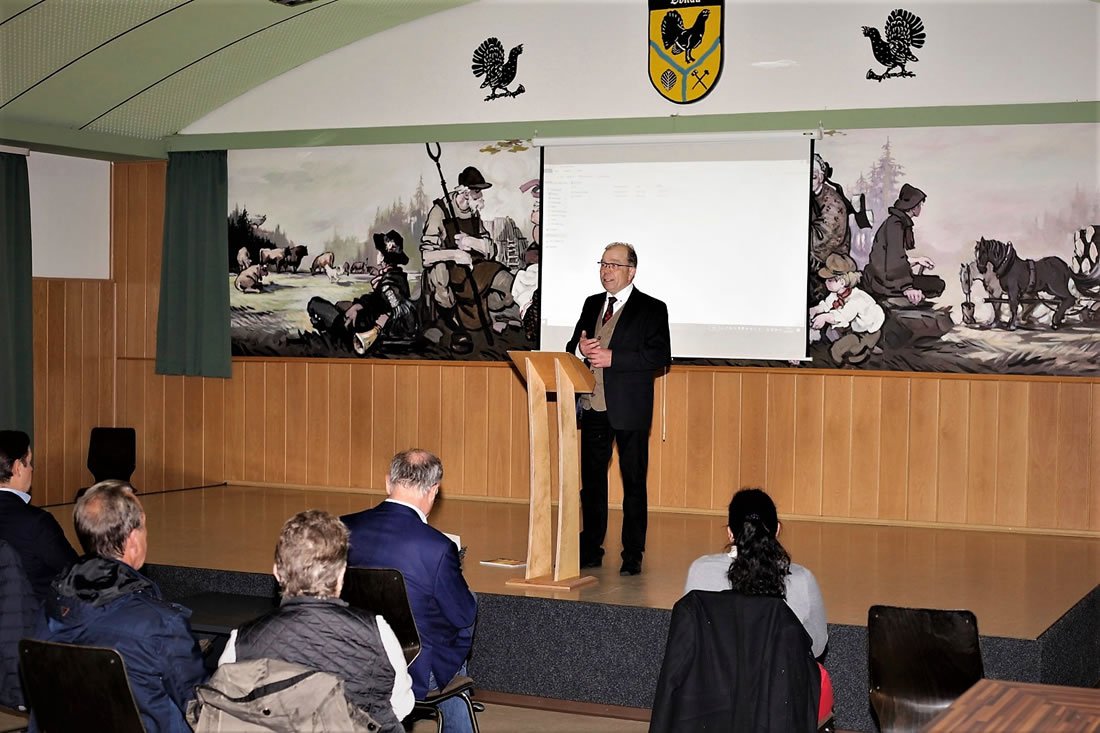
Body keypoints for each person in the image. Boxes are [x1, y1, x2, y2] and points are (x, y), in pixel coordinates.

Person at [219, 510, 413, 731]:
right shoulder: (378, 631)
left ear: (277, 573)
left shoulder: (241, 641)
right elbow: (402, 706)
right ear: (342, 575)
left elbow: (228, 713)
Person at [38, 481, 206, 733]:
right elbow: (201, 708)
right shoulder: (162, 624)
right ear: (133, 540)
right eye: (144, 527)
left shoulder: (51, 605)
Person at [341, 450, 478, 733]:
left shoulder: (341, 528)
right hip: (413, 668)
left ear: (387, 482)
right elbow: (463, 616)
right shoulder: (438, 547)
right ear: (433, 490)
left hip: (352, 658)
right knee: (463, 610)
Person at [566, 243, 671, 576]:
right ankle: (591, 548)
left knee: (634, 483)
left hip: (630, 409)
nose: (606, 270)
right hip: (594, 406)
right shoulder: (592, 303)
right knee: (592, 483)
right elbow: (572, 346)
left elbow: (660, 356)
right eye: (603, 264)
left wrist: (615, 358)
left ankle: (632, 553)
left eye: (613, 264)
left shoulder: (652, 308)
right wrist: (580, 349)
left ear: (631, 271)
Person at [684, 488, 829, 658]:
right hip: (779, 674)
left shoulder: (701, 570)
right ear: (777, 530)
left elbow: (688, 638)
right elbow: (817, 646)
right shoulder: (802, 579)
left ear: (730, 533)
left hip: (713, 674)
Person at [421, 165, 514, 353]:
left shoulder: (474, 212)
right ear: (464, 192)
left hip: (475, 268)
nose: (481, 196)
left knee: (508, 285)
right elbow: (426, 256)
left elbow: (491, 249)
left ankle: (486, 310)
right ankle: (452, 323)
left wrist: (471, 242)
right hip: (449, 270)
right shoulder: (440, 211)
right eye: (476, 191)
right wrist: (455, 254)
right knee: (439, 273)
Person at [0, 430, 78, 600]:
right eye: (29, 462)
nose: (32, 469)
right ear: (17, 467)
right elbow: (74, 573)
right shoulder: (37, 522)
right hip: (34, 612)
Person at [862, 183, 945, 305]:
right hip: (882, 281)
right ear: (913, 207)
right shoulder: (895, 225)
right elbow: (894, 260)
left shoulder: (897, 222)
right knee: (937, 285)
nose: (920, 208)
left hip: (886, 277)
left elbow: (896, 258)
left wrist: (918, 260)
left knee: (937, 284)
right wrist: (907, 288)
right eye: (919, 205)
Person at [807, 253, 886, 367]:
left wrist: (824, 317)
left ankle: (862, 349)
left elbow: (842, 316)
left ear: (842, 282)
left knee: (836, 351)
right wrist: (814, 310)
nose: (825, 282)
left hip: (867, 332)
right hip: (853, 326)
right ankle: (857, 347)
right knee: (830, 333)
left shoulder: (857, 299)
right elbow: (827, 304)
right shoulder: (836, 293)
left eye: (830, 280)